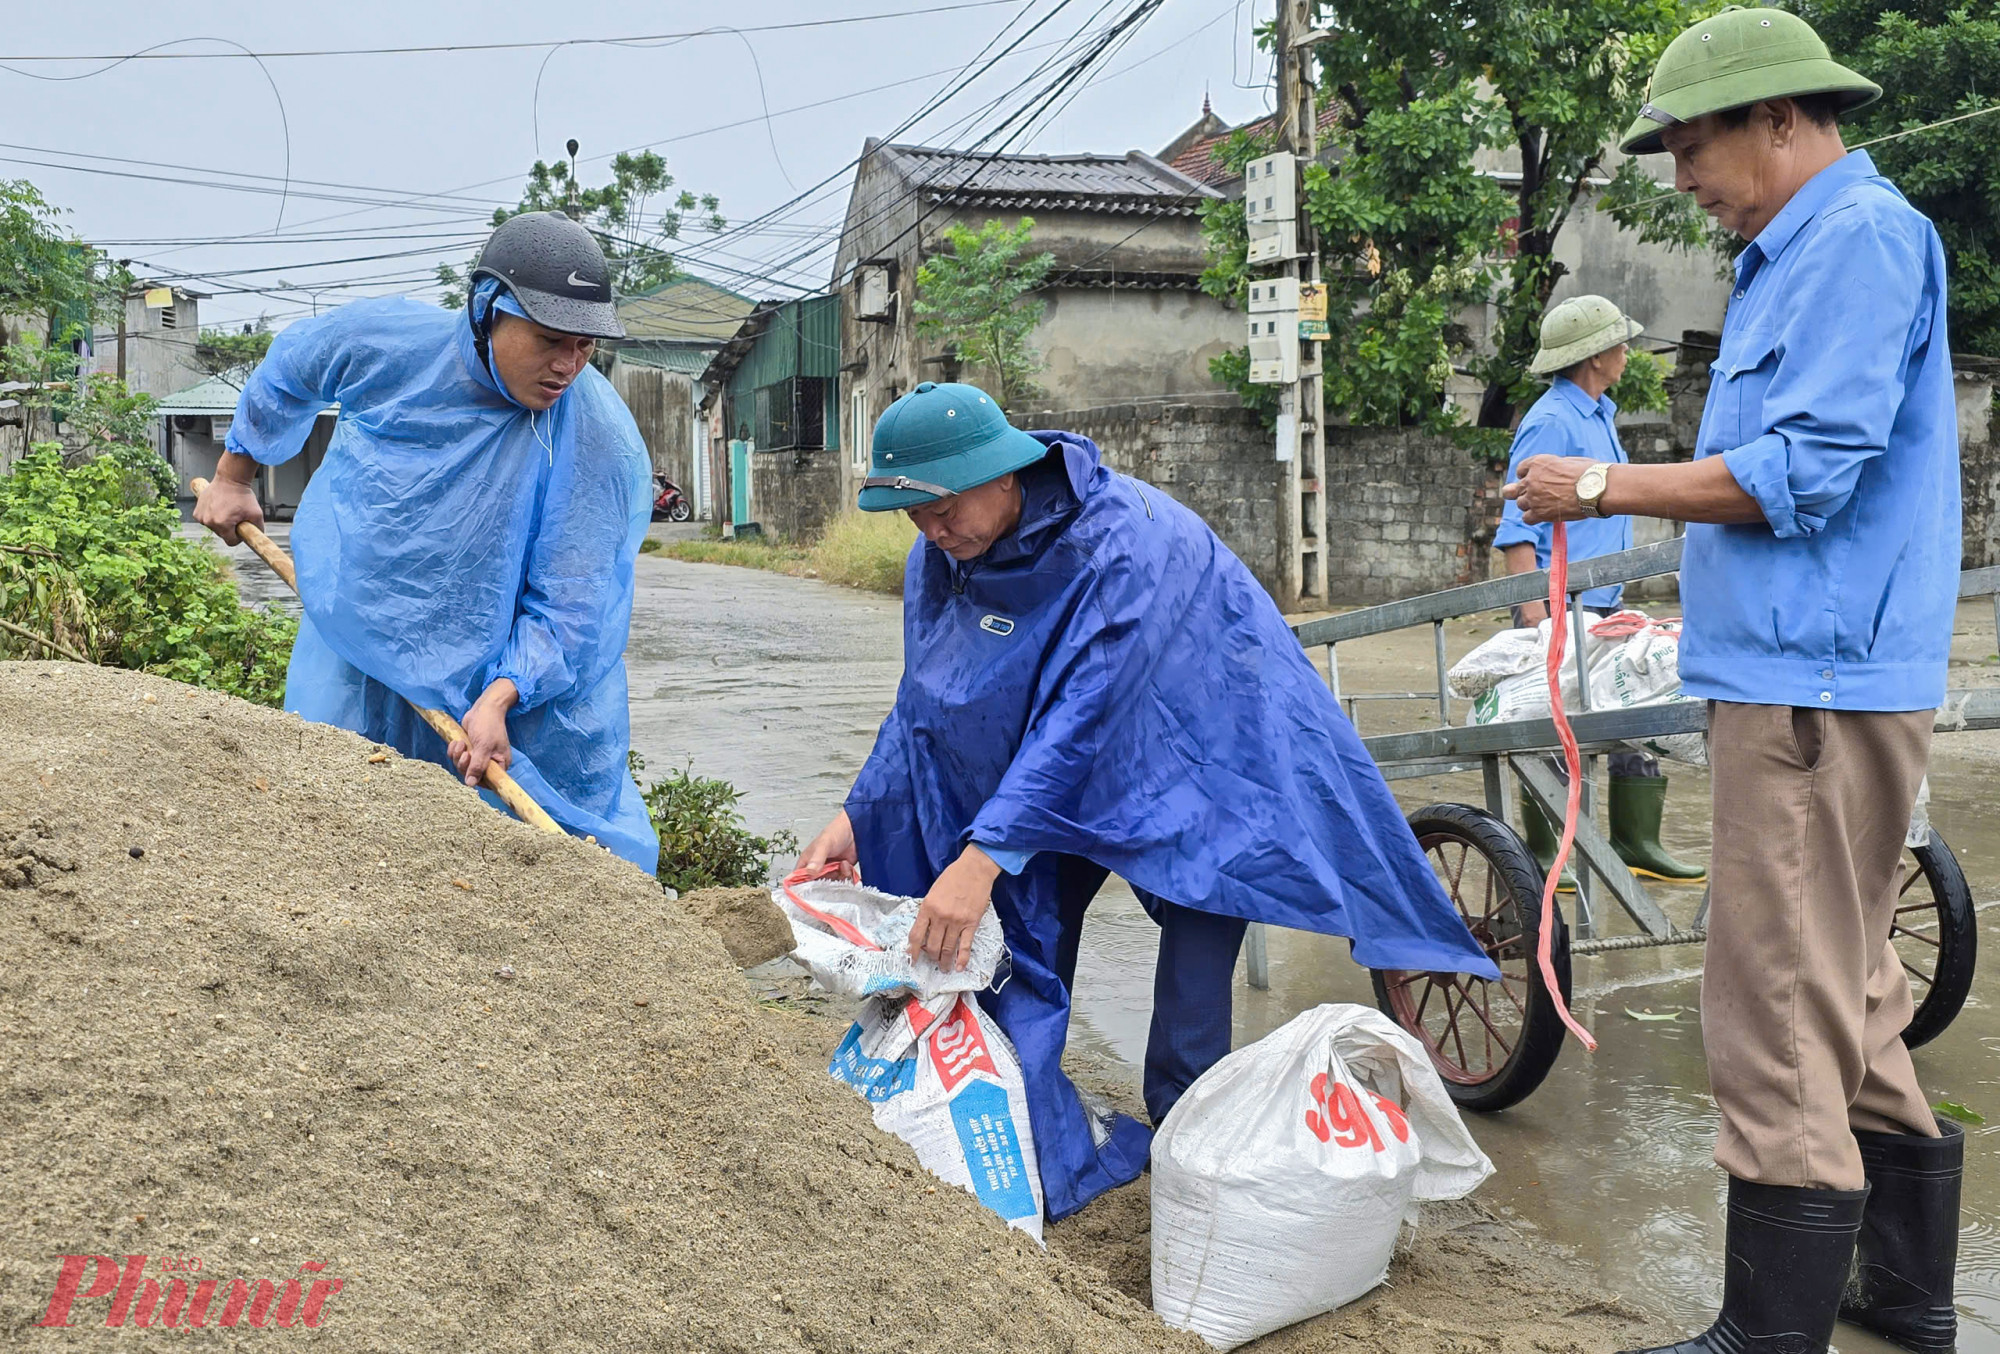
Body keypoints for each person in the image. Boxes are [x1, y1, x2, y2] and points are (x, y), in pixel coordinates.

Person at [1510, 10, 1961, 1351]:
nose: (1682, 176)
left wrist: (1596, 484)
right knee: (1847, 987)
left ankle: (1768, 1334)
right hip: (1806, 670)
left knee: (1771, 1000)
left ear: (1780, 118)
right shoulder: (1795, 254)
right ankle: (1907, 1296)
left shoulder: (1857, 241)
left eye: (1692, 147)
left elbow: (1805, 472)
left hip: (1812, 683)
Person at [799, 380, 1500, 1220]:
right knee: (1013, 937)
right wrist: (860, 809)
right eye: (914, 519)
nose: (931, 533)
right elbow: (927, 697)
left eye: (942, 510)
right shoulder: (944, 555)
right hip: (1065, 759)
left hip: (1198, 748)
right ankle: (1031, 1135)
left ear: (1004, 474)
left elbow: (1083, 712)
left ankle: (1193, 1152)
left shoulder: (1121, 542)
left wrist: (982, 855)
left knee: (1199, 931)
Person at [194, 211, 659, 873]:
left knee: (520, 865)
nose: (568, 366)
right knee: (349, 827)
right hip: (367, 654)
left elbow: (575, 604)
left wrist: (501, 697)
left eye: (585, 346)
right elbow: (295, 367)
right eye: (551, 339)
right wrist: (233, 475)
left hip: (503, 699)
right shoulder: (390, 346)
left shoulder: (596, 440)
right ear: (486, 310)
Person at [1495, 296, 1705, 887]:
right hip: (1558, 606)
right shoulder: (1551, 420)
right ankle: (1544, 855)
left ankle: (1635, 840)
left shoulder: (1597, 412)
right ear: (1594, 356)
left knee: (1634, 703)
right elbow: (1517, 532)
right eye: (1620, 342)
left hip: (1604, 604)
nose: (1627, 351)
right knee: (1553, 722)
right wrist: (1536, 622)